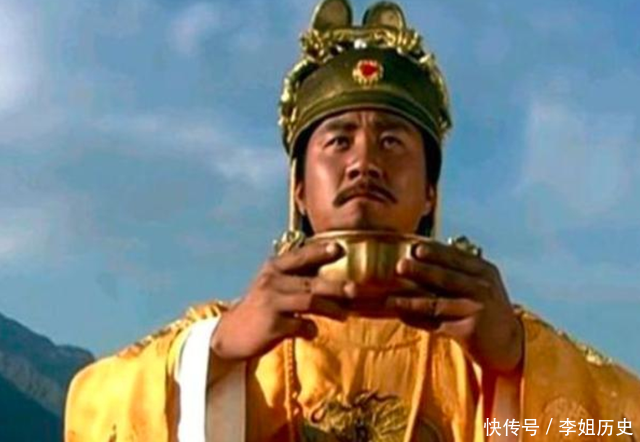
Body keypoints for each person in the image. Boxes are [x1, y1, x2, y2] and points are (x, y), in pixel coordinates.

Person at [65, 1, 640, 441]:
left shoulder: (485, 338)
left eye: (392, 142)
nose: (364, 162)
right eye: (339, 141)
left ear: (431, 192)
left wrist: (518, 361)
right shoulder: (239, 334)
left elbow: (622, 421)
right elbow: (91, 409)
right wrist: (215, 354)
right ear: (298, 188)